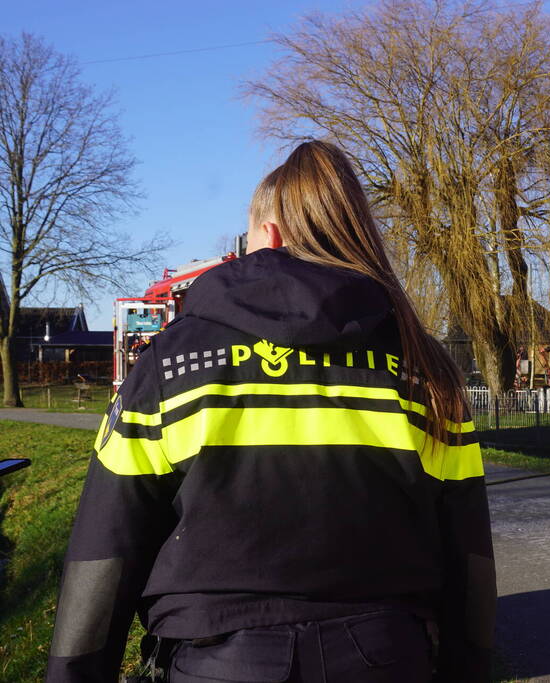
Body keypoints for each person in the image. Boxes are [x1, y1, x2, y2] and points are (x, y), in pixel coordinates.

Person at [45, 141, 496, 682]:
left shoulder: (169, 363)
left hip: (214, 661)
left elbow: (105, 549)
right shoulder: (425, 367)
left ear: (271, 235)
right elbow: (469, 551)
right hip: (386, 656)